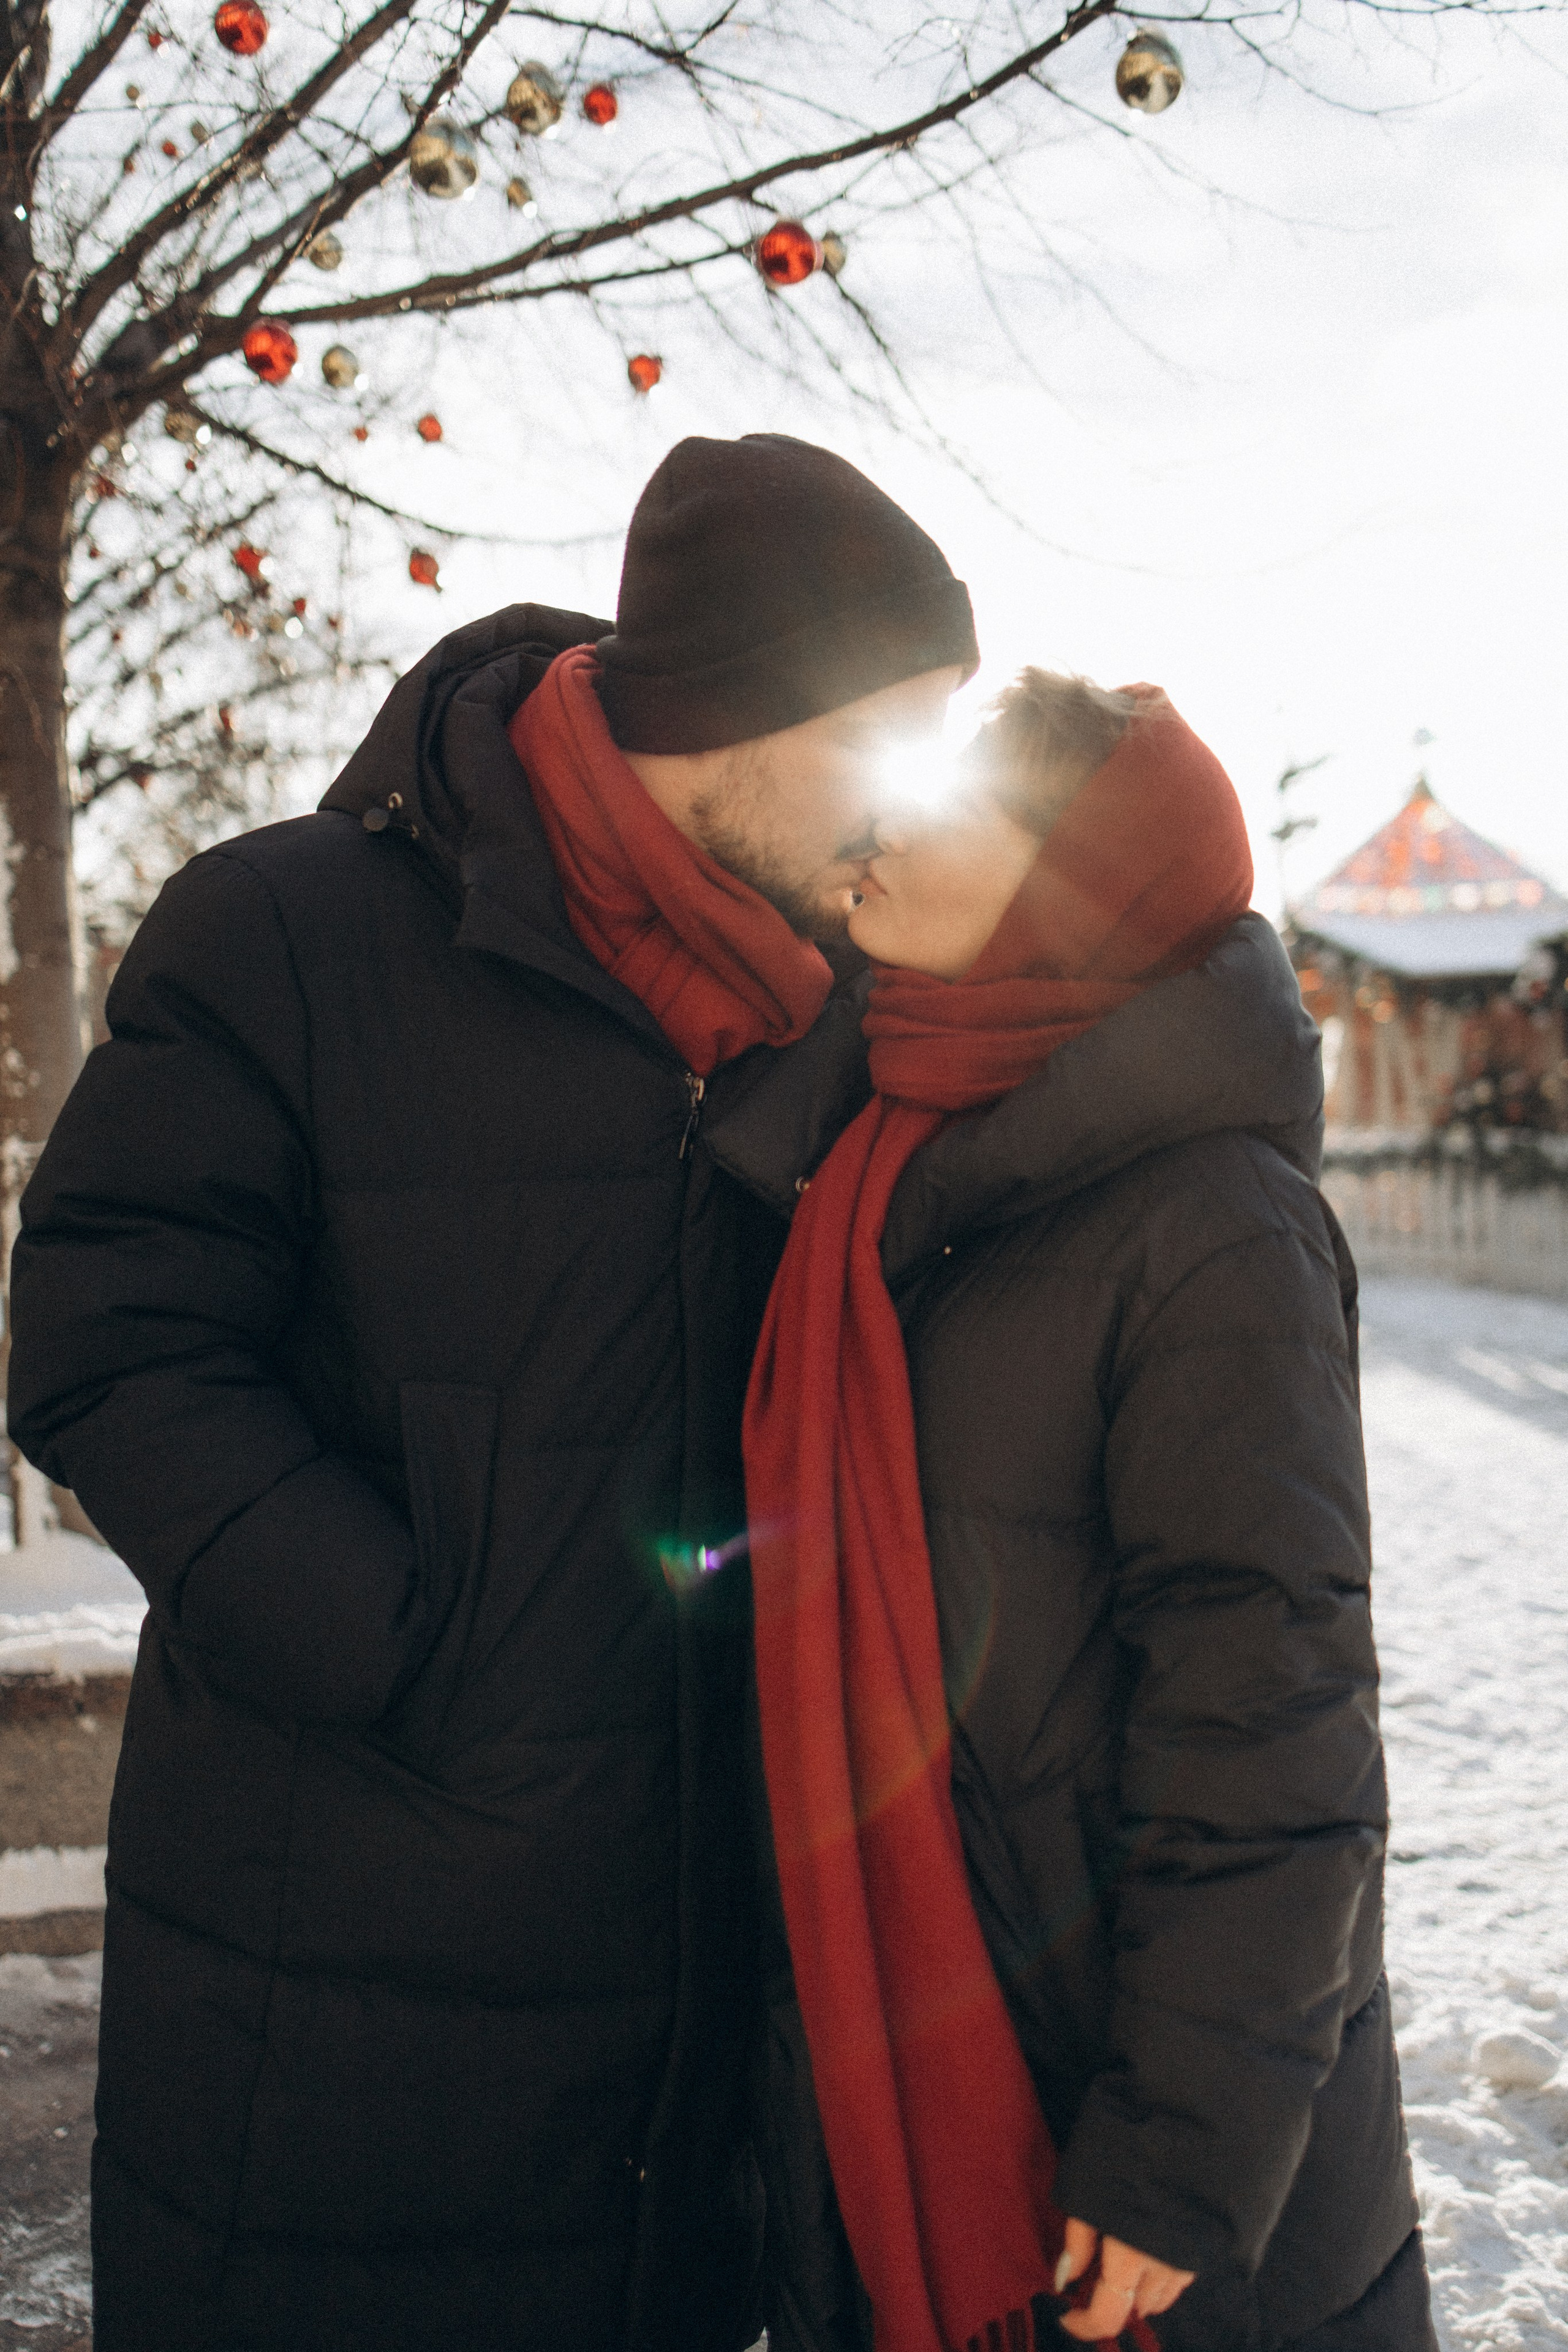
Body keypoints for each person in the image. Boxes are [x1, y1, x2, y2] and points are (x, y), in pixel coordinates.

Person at [5, 433, 976, 2352]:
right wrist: (402, 1647)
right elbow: (108, 1331)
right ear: (743, 705)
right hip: (339, 1967)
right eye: (889, 732)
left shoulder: (850, 1004)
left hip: (692, 2004)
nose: (913, 804)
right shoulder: (287, 932)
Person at [735, 672, 1436, 2352]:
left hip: (1136, 2165)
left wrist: (1182, 2149)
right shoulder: (893, 1160)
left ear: (1078, 887)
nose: (885, 826)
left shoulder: (1212, 1223)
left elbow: (1273, 1715)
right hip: (918, 2055)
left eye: (952, 803)